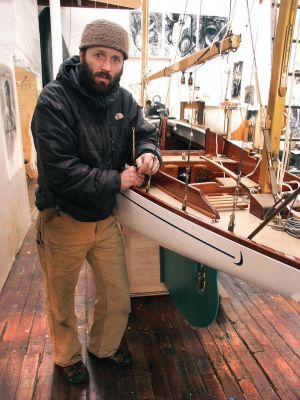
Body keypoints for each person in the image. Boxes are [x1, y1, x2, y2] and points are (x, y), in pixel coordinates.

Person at [31, 19, 161, 384]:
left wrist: (149, 154)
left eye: (116, 59)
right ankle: (68, 357)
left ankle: (103, 346)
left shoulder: (123, 99)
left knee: (118, 297)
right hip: (63, 219)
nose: (107, 66)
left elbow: (145, 133)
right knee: (61, 302)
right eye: (99, 55)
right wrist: (116, 180)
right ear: (83, 54)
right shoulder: (54, 100)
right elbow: (60, 171)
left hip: (104, 219)